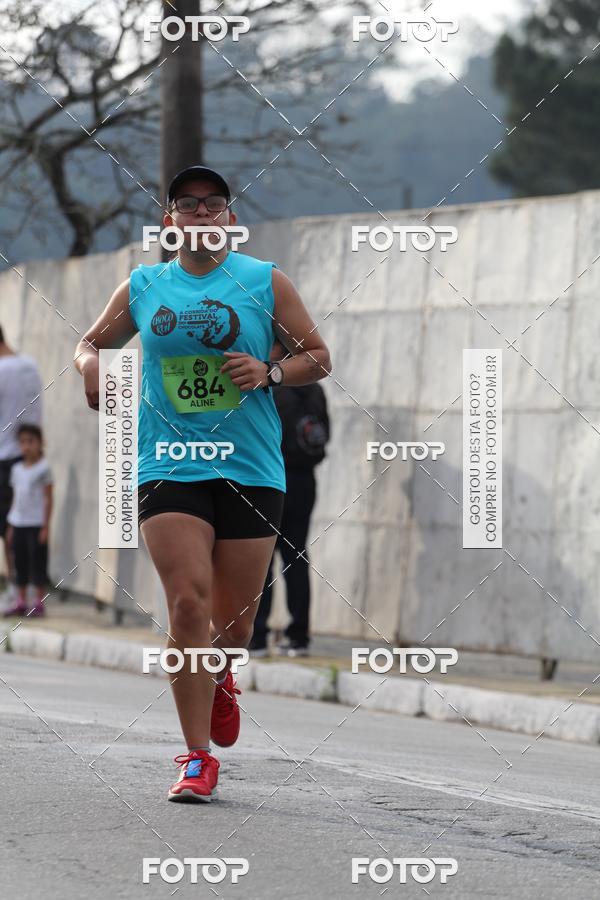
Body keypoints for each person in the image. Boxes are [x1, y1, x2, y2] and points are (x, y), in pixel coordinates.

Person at [74, 165, 331, 803]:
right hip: (169, 466)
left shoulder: (264, 282)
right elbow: (88, 344)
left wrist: (270, 370)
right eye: (188, 205)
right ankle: (196, 758)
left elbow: (319, 357)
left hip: (250, 468)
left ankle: (222, 676)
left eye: (213, 204)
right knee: (187, 605)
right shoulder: (143, 285)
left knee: (234, 627)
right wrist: (91, 369)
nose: (201, 214)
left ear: (230, 220)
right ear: (170, 221)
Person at [250, 344, 330, 657]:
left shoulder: (269, 387)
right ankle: (299, 636)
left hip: (271, 479)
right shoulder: (315, 390)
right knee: (296, 556)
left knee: (261, 557)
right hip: (305, 480)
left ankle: (257, 636)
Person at [0, 327, 43, 603]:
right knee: (26, 527)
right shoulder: (30, 366)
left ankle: (17, 591)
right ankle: (27, 591)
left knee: (10, 527)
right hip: (31, 456)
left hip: (4, 456)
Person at [4, 424, 53, 617]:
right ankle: (21, 600)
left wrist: (45, 526)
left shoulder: (44, 468)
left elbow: (48, 498)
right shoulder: (17, 469)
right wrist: (10, 526)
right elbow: (16, 498)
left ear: (40, 443)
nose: (26, 446)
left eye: (31, 441)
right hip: (18, 523)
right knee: (20, 561)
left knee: (37, 562)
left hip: (36, 524)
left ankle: (38, 602)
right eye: (22, 442)